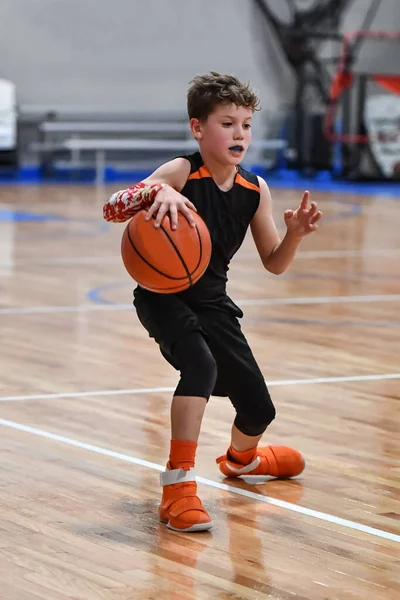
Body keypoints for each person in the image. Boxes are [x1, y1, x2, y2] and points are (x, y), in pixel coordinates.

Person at [103, 72, 322, 533]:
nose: (239, 134)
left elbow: (275, 264)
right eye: (227, 123)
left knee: (260, 409)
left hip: (213, 301)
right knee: (200, 367)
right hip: (163, 297)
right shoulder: (181, 173)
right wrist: (153, 189)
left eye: (246, 124)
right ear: (198, 128)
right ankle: (178, 485)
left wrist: (296, 235)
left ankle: (241, 461)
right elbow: (112, 207)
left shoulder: (253, 189)